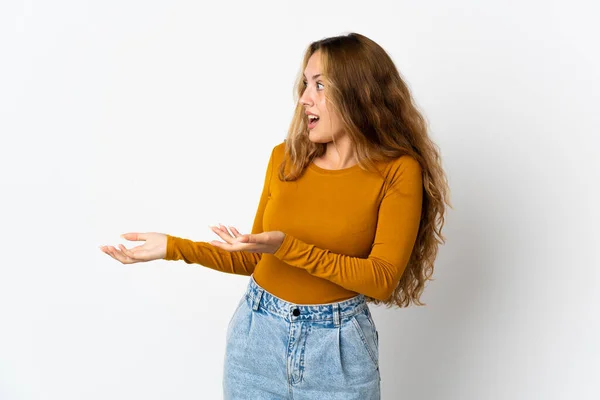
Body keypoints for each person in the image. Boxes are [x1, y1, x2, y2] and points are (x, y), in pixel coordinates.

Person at [100, 32, 451, 400]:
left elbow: (381, 279)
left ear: (358, 92)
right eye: (304, 83)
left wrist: (287, 247)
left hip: (337, 351)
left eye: (319, 85)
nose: (304, 98)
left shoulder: (398, 170)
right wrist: (173, 247)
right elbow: (253, 257)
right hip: (256, 338)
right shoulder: (285, 157)